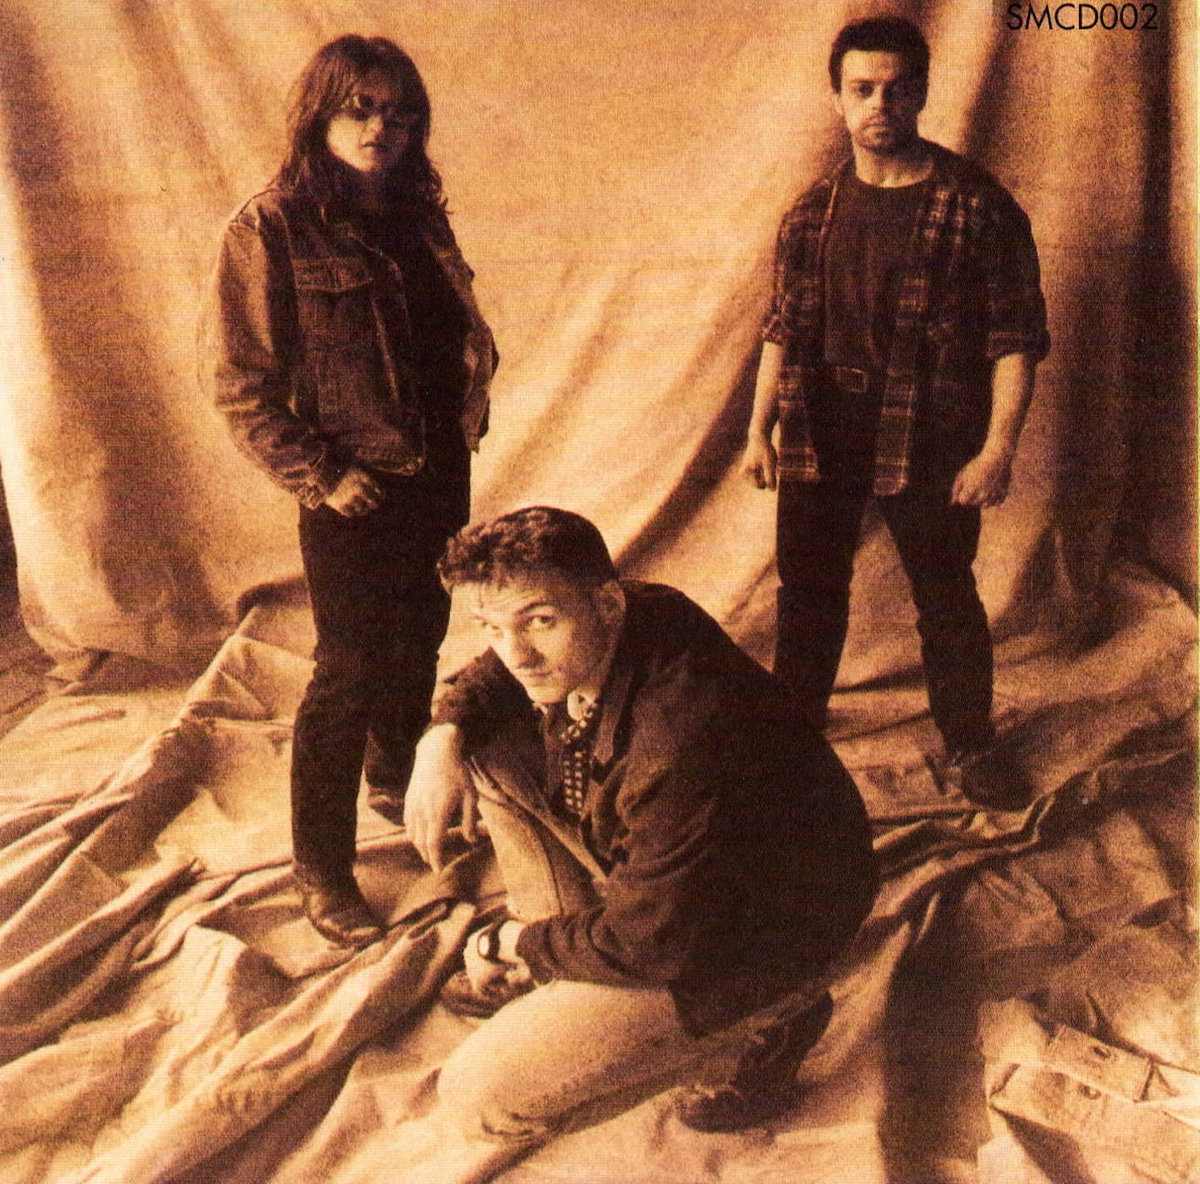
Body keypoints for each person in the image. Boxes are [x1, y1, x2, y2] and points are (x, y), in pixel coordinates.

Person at [402, 506, 877, 1155]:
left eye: (540, 622)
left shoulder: (679, 733)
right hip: (688, 890)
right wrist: (440, 737)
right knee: (478, 741)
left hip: (755, 938)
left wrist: (514, 942)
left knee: (476, 1098)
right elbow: (490, 671)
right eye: (492, 626)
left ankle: (771, 1021)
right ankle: (565, 965)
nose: (517, 655)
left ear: (605, 603)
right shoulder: (638, 608)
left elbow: (652, 942)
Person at [200, 35, 496, 947]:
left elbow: (453, 337)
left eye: (399, 112)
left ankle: (396, 776)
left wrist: (464, 420)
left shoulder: (416, 213)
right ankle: (321, 866)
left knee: (421, 638)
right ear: (319, 113)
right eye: (360, 108)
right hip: (352, 489)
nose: (381, 128)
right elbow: (237, 383)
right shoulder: (271, 227)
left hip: (436, 469)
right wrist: (323, 476)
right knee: (350, 669)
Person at [743, 17, 1049, 810]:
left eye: (896, 89)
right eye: (862, 90)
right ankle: (792, 736)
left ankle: (971, 744)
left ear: (920, 94)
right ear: (838, 100)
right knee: (807, 590)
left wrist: (996, 451)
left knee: (945, 593)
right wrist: (757, 431)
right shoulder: (810, 212)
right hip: (820, 426)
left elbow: (1016, 340)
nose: (879, 105)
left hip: (932, 433)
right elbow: (781, 328)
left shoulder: (977, 207)